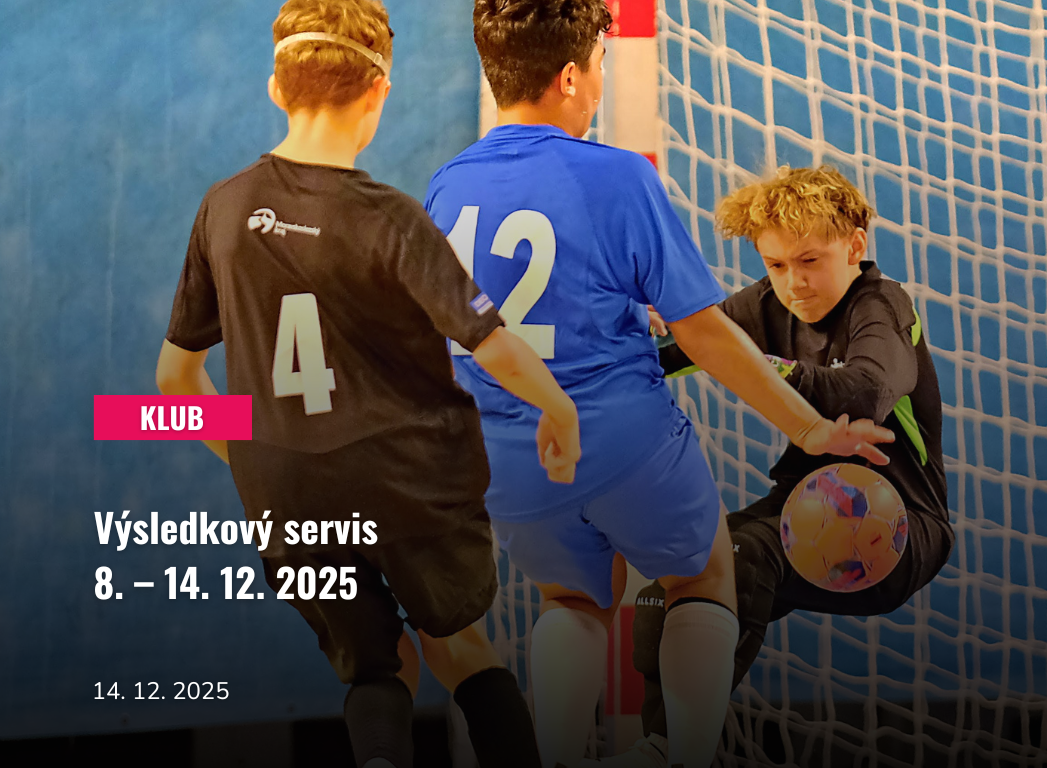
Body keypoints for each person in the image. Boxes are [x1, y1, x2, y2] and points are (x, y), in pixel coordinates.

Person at [423, 3, 895, 768]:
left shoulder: (446, 188)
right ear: (569, 77)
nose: (601, 83)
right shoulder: (618, 175)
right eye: (600, 66)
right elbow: (702, 333)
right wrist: (810, 428)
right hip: (620, 438)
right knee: (702, 577)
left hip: (509, 454)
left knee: (572, 600)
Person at [153, 3, 579, 766]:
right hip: (405, 478)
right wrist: (558, 409)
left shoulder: (224, 207)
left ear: (276, 88)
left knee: (376, 668)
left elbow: (173, 383)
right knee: (459, 648)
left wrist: (254, 458)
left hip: (284, 490)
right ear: (380, 91)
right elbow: (493, 345)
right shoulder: (392, 219)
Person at [602, 166, 955, 767]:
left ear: (855, 246)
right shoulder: (766, 304)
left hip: (899, 525)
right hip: (805, 508)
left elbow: (865, 392)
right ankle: (657, 742)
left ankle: (675, 752)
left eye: (810, 261)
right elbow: (676, 351)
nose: (795, 283)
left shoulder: (882, 305)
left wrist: (751, 362)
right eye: (776, 265)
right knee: (678, 576)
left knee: (741, 559)